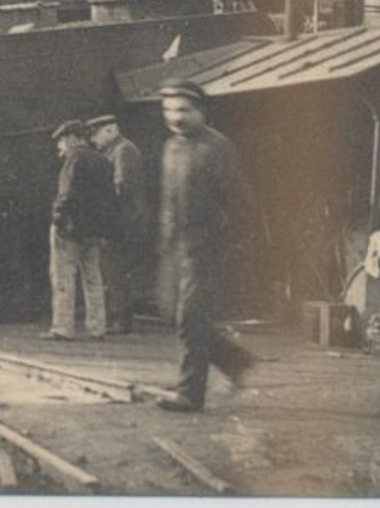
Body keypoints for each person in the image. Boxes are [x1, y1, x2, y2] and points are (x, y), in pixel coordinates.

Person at [153, 82, 255, 411]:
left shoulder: (216, 148)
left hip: (206, 246)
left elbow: (239, 202)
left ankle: (189, 393)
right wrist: (165, 242)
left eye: (183, 110)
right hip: (176, 247)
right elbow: (169, 200)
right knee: (171, 312)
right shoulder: (171, 147)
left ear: (200, 111)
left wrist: (220, 241)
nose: (175, 118)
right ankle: (235, 360)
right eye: (169, 110)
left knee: (190, 318)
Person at [45, 119, 116, 341]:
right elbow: (109, 199)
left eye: (62, 141)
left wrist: (57, 217)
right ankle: (97, 327)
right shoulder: (103, 160)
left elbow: (66, 194)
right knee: (93, 278)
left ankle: (63, 328)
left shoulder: (74, 159)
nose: (60, 146)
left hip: (70, 229)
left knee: (63, 278)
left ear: (74, 138)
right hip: (94, 230)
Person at [87, 114, 147, 334]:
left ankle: (122, 321)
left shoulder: (123, 151)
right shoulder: (116, 150)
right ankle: (120, 317)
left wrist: (98, 200)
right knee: (113, 269)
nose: (94, 141)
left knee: (114, 269)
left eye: (96, 135)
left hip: (123, 220)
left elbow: (122, 187)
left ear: (110, 131)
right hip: (121, 219)